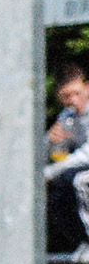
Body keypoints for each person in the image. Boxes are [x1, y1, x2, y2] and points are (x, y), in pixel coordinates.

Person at [44, 63, 89, 253]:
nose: (72, 100)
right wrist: (50, 141)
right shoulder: (67, 116)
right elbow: (49, 152)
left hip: (83, 169)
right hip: (79, 167)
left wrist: (52, 170)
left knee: (77, 181)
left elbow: (86, 154)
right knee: (56, 196)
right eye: (65, 96)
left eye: (76, 94)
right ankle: (76, 242)